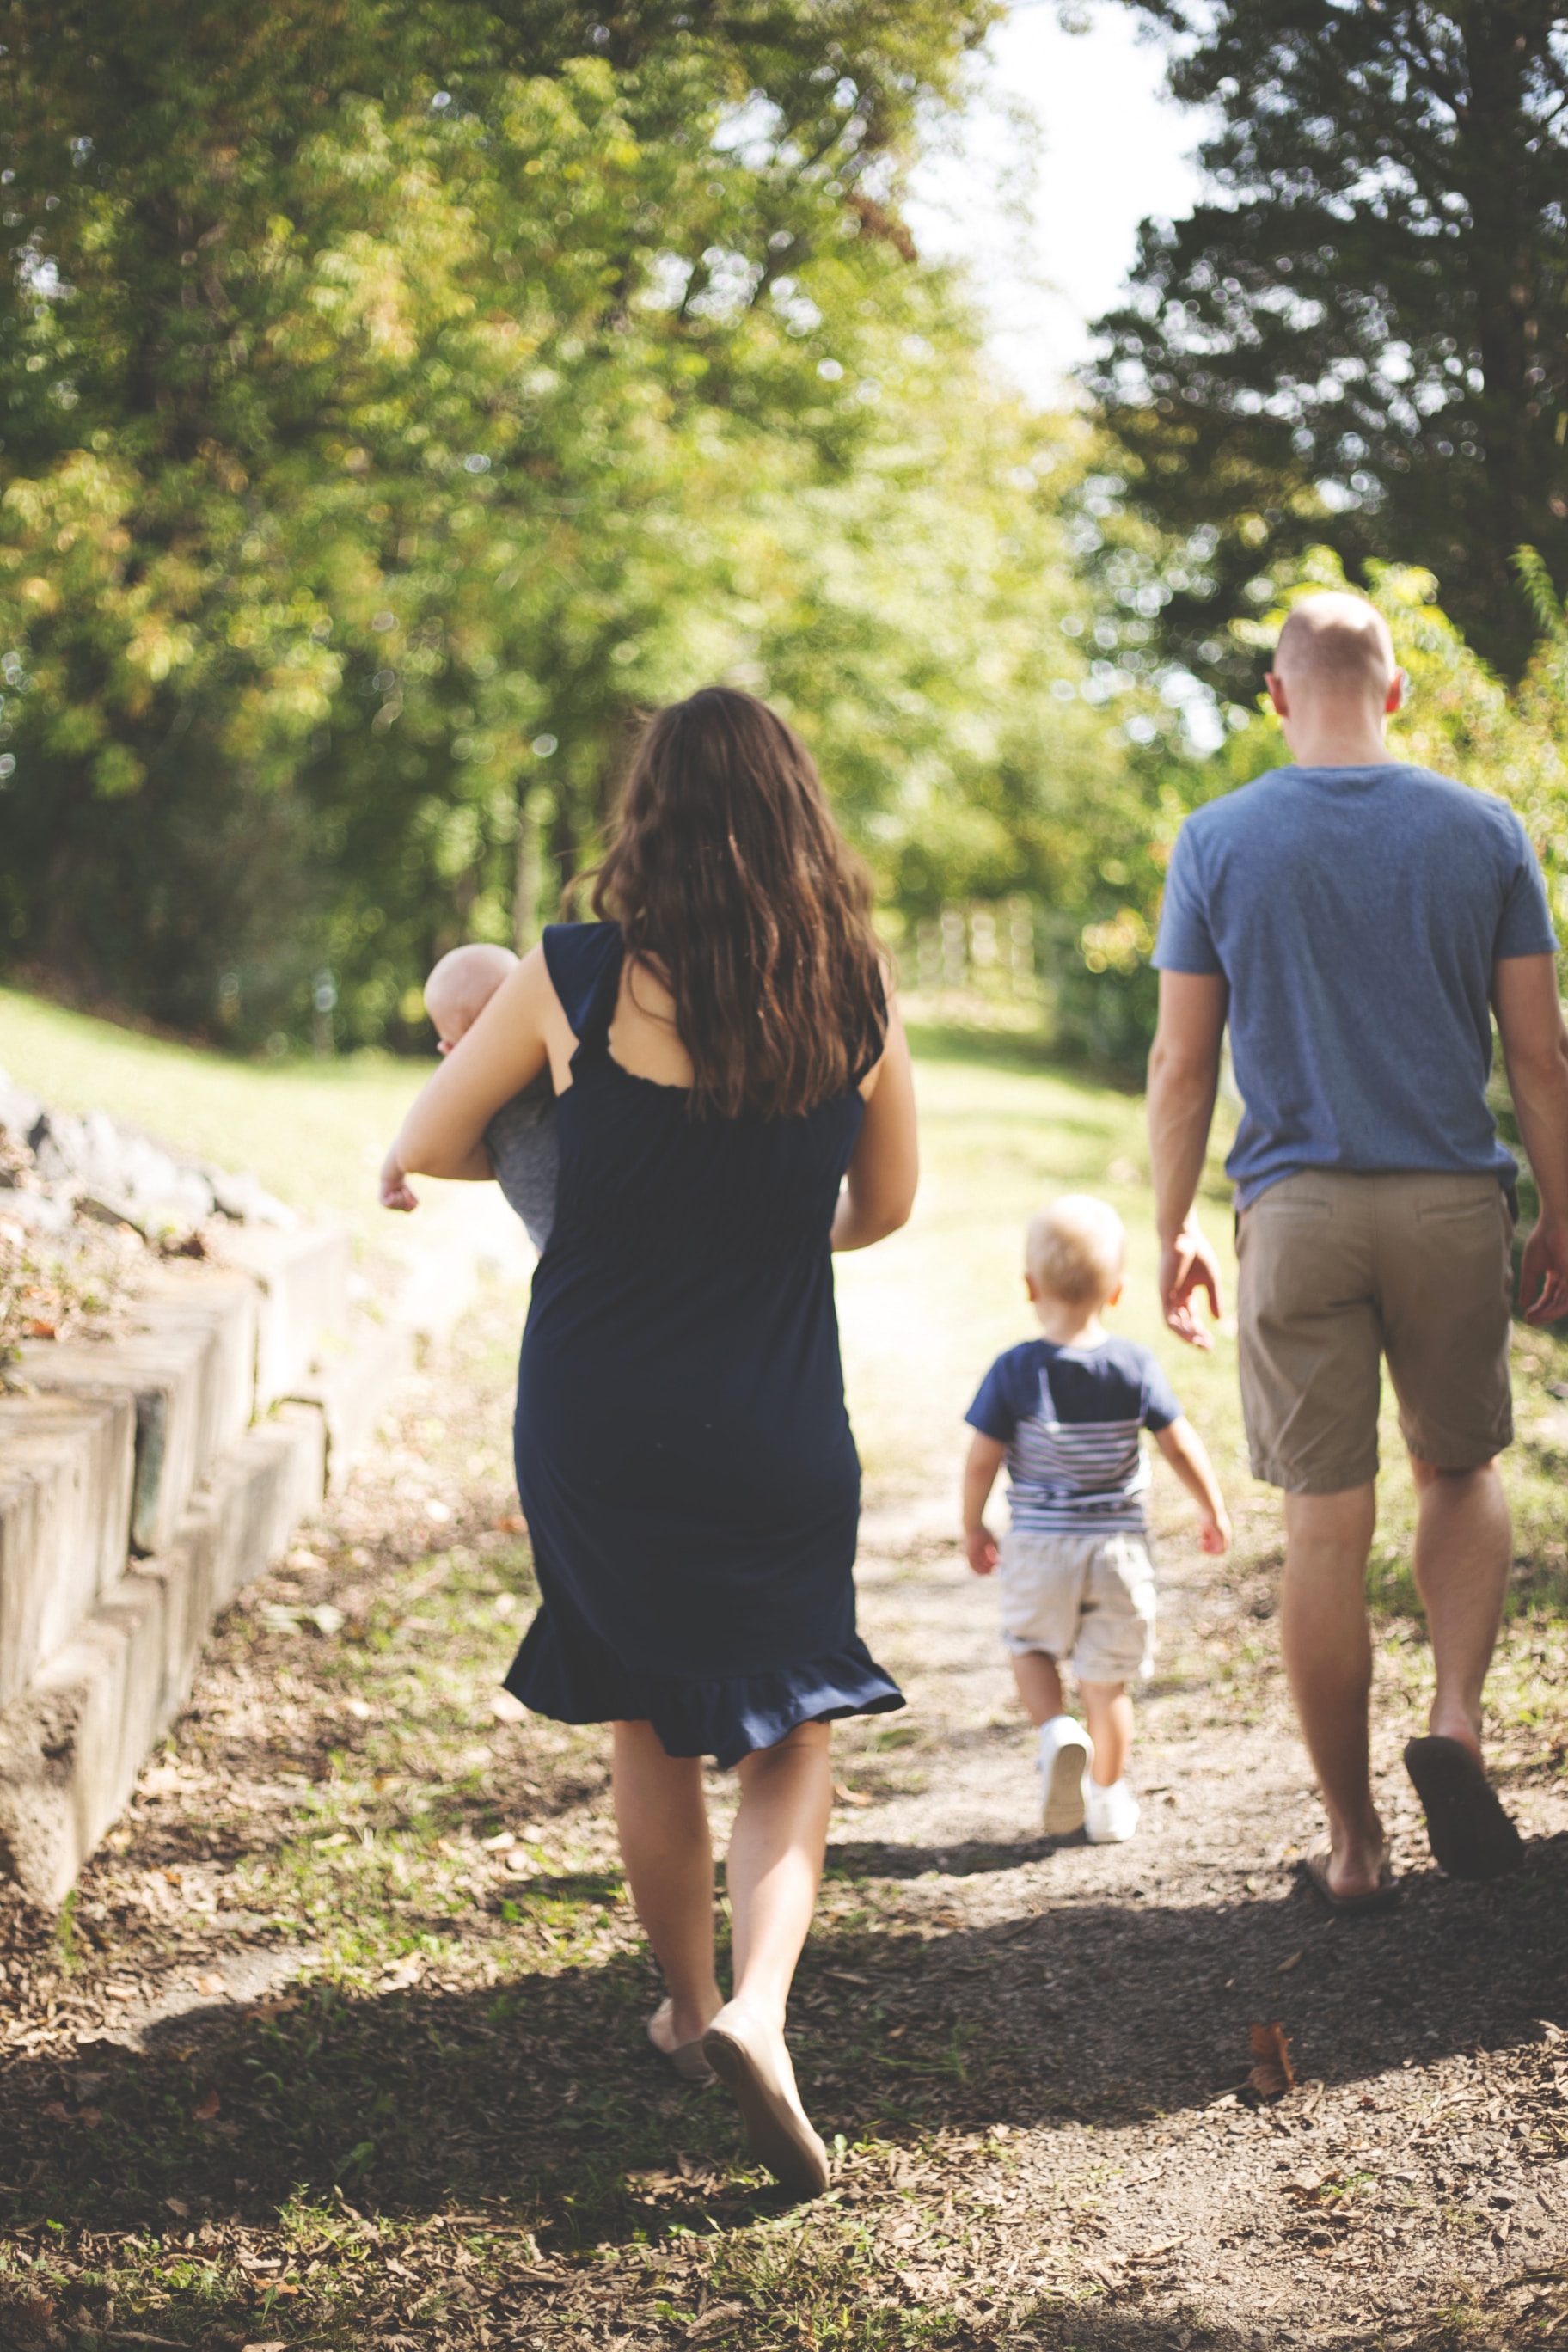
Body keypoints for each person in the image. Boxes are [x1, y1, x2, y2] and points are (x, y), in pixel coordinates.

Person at [379, 687, 918, 2196]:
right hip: (771, 1413)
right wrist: (761, 1222)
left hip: (597, 1407)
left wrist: (584, 1177)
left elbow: (424, 1140)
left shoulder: (571, 978)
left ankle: (685, 2009)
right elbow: (880, 1211)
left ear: (648, 821)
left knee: (644, 1716)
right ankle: (760, 2002)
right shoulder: (854, 996)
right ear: (797, 822)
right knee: (786, 1725)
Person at [1147, 589, 1568, 1908]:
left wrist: (1166, 1232)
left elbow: (1180, 1061)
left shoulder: (1217, 839)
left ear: (1277, 696)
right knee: (1459, 1469)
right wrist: (1561, 1207)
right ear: (1395, 692)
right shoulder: (1483, 829)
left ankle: (1354, 1845)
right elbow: (1541, 1053)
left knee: (1325, 1531)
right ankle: (1452, 1718)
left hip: (1298, 1214)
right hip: (1450, 1202)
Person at [961, 1195, 1229, 1843]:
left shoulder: (1014, 1369)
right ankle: (1108, 1801)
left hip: (1039, 1548)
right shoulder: (1134, 1365)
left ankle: (1056, 1732)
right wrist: (1211, 1507)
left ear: (1030, 1288)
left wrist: (974, 1525)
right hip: (1118, 1551)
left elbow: (980, 1461)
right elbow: (1179, 1444)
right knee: (1107, 1684)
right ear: (1117, 1293)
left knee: (1029, 1647)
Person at [385, 943, 558, 1254]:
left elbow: (423, 1126)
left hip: (562, 1261)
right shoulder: (555, 1062)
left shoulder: (475, 1110)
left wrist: (391, 1172)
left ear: (451, 1052)